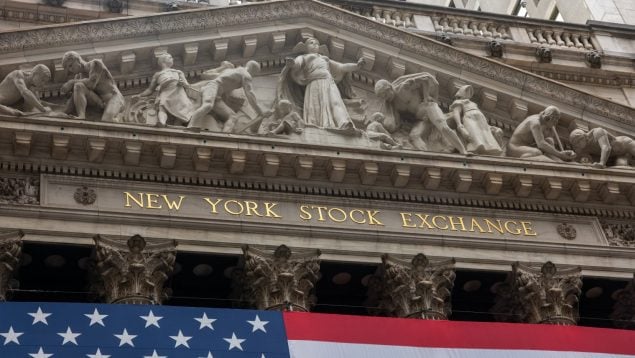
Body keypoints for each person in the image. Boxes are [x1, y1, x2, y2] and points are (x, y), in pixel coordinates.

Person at [277, 37, 364, 130]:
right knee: (315, 106)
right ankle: (316, 126)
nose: (315, 45)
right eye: (311, 43)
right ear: (306, 47)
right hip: (315, 82)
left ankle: (343, 123)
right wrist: (291, 64)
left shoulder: (324, 58)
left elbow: (341, 67)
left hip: (328, 82)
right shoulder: (304, 57)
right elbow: (297, 64)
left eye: (317, 43)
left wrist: (357, 66)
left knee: (336, 102)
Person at [374, 73, 468, 154]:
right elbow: (396, 124)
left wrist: (426, 96)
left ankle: (463, 150)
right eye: (383, 97)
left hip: (428, 108)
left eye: (385, 94)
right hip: (421, 119)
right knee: (413, 137)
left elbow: (425, 79)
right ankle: (429, 157)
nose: (385, 98)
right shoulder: (393, 104)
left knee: (444, 128)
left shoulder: (404, 87)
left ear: (389, 88)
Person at [188, 60, 269, 133]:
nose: (253, 76)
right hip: (212, 87)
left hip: (217, 96)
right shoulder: (246, 74)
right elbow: (250, 94)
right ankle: (190, 126)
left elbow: (205, 75)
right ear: (253, 70)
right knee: (208, 105)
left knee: (233, 117)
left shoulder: (230, 71)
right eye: (254, 74)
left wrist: (221, 68)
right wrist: (260, 111)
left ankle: (225, 135)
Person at [60, 51, 124, 121]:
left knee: (107, 120)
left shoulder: (95, 64)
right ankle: (81, 116)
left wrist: (71, 82)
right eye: (68, 68)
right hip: (100, 102)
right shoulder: (78, 77)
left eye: (70, 65)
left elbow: (91, 83)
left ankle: (119, 119)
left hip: (113, 97)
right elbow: (73, 100)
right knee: (78, 86)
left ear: (77, 60)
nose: (70, 69)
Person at [136, 53, 193, 127]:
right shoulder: (158, 74)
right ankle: (162, 122)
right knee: (162, 107)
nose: (172, 59)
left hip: (178, 91)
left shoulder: (178, 72)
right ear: (163, 61)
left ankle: (181, 124)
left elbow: (187, 85)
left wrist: (183, 83)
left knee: (183, 107)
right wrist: (140, 95)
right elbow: (150, 90)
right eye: (170, 57)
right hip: (165, 91)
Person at [507, 106, 576, 162]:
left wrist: (561, 155)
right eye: (554, 122)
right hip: (515, 147)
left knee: (549, 140)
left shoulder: (542, 122)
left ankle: (558, 162)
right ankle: (525, 158)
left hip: (527, 146)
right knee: (537, 152)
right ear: (547, 118)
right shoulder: (535, 123)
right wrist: (560, 154)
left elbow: (547, 142)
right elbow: (541, 144)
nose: (553, 126)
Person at [449, 85, 503, 155]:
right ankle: (475, 148)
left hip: (481, 120)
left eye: (470, 92)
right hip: (470, 118)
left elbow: (484, 122)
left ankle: (489, 149)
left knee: (484, 134)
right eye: (467, 91)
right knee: (473, 132)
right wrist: (460, 125)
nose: (468, 93)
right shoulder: (459, 102)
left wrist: (490, 127)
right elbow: (456, 113)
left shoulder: (474, 104)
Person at [569, 127, 635, 168]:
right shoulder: (583, 148)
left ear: (584, 137)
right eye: (575, 144)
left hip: (626, 145)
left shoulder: (597, 132)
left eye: (578, 141)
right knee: (622, 168)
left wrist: (602, 163)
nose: (577, 145)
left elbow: (606, 147)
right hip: (617, 156)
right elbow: (587, 160)